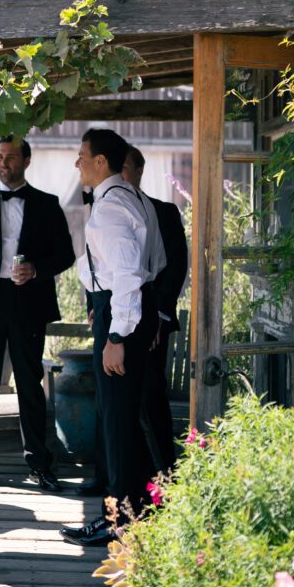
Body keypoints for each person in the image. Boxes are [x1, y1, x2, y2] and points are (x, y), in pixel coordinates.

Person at [61, 128, 165, 547]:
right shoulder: (136, 198)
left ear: (101, 161)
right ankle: (136, 513)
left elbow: (127, 274)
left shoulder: (110, 208)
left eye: (82, 155)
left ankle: (119, 520)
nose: (77, 163)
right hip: (129, 309)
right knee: (124, 416)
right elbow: (153, 265)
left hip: (121, 316)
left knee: (118, 419)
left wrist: (118, 332)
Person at [0, 136, 75, 494]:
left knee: (29, 382)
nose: (3, 163)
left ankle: (39, 464)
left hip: (28, 302)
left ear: (26, 161)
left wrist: (36, 269)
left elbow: (66, 254)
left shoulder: (47, 204)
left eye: (10, 157)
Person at [122, 146, 188, 474]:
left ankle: (165, 472)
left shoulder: (164, 212)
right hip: (115, 321)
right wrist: (94, 306)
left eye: (124, 168)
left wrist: (159, 316)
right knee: (116, 402)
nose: (119, 176)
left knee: (150, 395)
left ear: (139, 172)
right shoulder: (105, 209)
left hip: (154, 322)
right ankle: (116, 475)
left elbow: (176, 266)